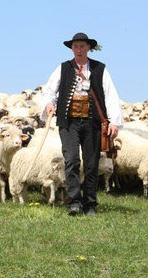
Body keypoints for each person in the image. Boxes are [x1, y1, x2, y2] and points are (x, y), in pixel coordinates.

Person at [41, 32, 123, 216]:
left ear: (88, 48)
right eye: (75, 46)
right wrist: (48, 104)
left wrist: (114, 122)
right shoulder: (63, 68)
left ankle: (90, 204)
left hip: (92, 123)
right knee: (71, 160)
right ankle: (75, 202)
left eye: (82, 46)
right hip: (68, 122)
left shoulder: (100, 68)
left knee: (92, 163)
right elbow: (49, 91)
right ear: (72, 48)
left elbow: (111, 96)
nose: (78, 50)